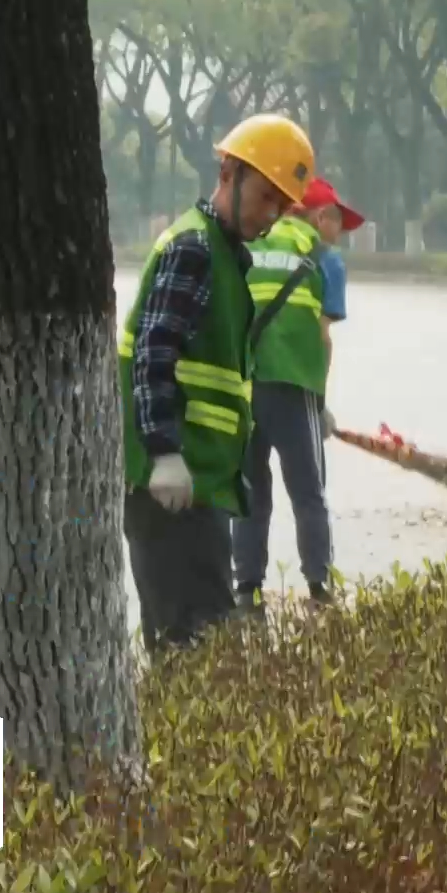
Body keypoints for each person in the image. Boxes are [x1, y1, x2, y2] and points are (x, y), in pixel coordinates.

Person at [118, 113, 315, 651]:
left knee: (200, 641)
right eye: (266, 198)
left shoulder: (224, 254)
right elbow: (154, 352)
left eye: (281, 204)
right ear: (229, 172)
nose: (271, 216)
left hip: (197, 485)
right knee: (193, 644)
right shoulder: (194, 249)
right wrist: (162, 452)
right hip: (171, 486)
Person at [232, 177, 367, 612]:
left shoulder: (249, 246)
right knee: (308, 491)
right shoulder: (323, 257)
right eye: (338, 224)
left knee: (250, 491)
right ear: (320, 218)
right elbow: (323, 337)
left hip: (244, 387)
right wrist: (321, 403)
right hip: (294, 388)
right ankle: (318, 587)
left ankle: (247, 588)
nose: (339, 234)